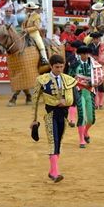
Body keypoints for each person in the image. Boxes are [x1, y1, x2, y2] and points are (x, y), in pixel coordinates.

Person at [30, 54, 78, 183]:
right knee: (53, 140)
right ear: (51, 66)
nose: (59, 69)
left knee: (59, 141)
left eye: (61, 67)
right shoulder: (41, 79)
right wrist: (34, 119)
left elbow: (72, 100)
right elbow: (35, 101)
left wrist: (66, 103)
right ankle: (56, 173)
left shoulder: (68, 79)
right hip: (50, 114)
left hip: (63, 114)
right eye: (57, 67)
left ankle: (52, 171)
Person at [67, 46, 104, 148]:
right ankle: (81, 140)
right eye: (83, 54)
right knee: (81, 115)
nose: (85, 55)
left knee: (91, 119)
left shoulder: (94, 64)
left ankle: (85, 132)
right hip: (79, 90)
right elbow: (69, 78)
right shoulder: (75, 65)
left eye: (87, 53)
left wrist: (94, 82)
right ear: (80, 54)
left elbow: (100, 76)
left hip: (90, 91)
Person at [88, 32, 104, 110]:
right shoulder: (89, 46)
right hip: (92, 66)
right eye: (95, 39)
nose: (96, 40)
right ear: (93, 39)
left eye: (98, 39)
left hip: (101, 66)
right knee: (93, 84)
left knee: (100, 85)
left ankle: (101, 102)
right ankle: (95, 102)